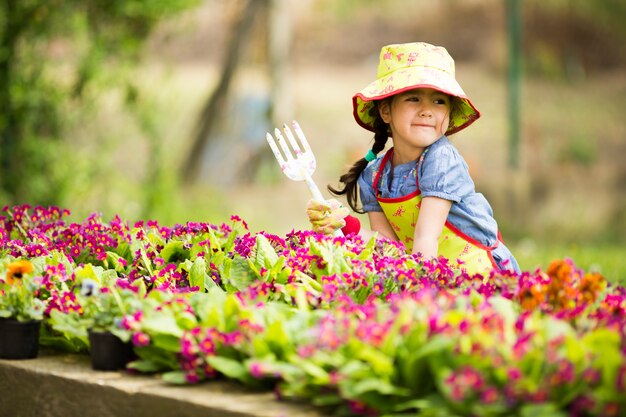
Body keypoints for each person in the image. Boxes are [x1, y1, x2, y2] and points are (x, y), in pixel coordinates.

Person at [307, 42, 520, 275]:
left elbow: (426, 237)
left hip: (478, 272)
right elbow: (390, 250)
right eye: (414, 99)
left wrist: (419, 297)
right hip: (432, 272)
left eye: (439, 101)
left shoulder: (440, 160)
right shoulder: (374, 177)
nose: (427, 110)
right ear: (385, 111)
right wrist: (344, 225)